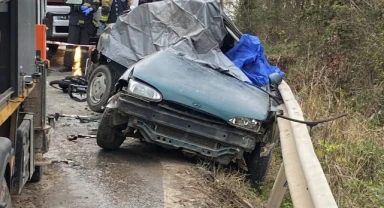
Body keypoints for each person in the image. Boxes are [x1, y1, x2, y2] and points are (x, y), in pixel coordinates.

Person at [59, 0, 100, 72]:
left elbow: (96, 5)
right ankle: (67, 65)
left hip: (87, 22)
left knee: (84, 46)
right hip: (75, 21)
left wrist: (90, 9)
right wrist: (79, 7)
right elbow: (66, 1)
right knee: (71, 44)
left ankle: (84, 66)